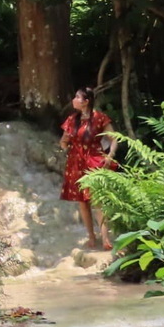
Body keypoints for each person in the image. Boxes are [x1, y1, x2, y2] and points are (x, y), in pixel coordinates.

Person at [60, 87, 118, 250]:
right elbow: (63, 141)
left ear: (86, 102)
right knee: (82, 202)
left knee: (97, 200)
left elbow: (114, 139)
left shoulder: (100, 118)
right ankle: (91, 237)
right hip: (76, 163)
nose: (73, 100)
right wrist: (66, 147)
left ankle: (105, 238)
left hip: (94, 160)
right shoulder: (72, 119)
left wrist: (110, 155)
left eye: (76, 97)